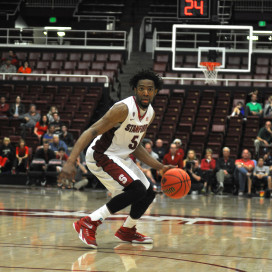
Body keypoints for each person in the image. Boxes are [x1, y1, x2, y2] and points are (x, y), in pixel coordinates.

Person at [59, 70, 174, 248]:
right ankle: (89, 222)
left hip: (120, 157)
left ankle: (127, 230)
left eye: (149, 89)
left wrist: (160, 167)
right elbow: (91, 131)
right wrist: (70, 161)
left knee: (148, 191)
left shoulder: (150, 113)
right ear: (135, 89)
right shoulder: (123, 109)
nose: (145, 92)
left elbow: (136, 147)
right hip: (101, 155)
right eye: (141, 88)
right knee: (137, 190)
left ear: (155, 92)